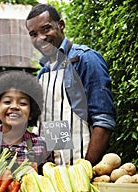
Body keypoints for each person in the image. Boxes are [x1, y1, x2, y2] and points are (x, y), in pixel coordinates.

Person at [25, 4, 117, 165]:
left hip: (84, 170)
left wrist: (85, 169)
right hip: (56, 174)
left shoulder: (86, 59)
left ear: (61, 25)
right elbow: (57, 125)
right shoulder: (44, 73)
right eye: (33, 34)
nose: (40, 38)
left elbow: (104, 121)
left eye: (46, 29)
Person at [0, 71, 51, 172]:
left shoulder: (40, 145)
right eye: (7, 102)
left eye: (23, 103)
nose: (14, 106)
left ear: (31, 113)